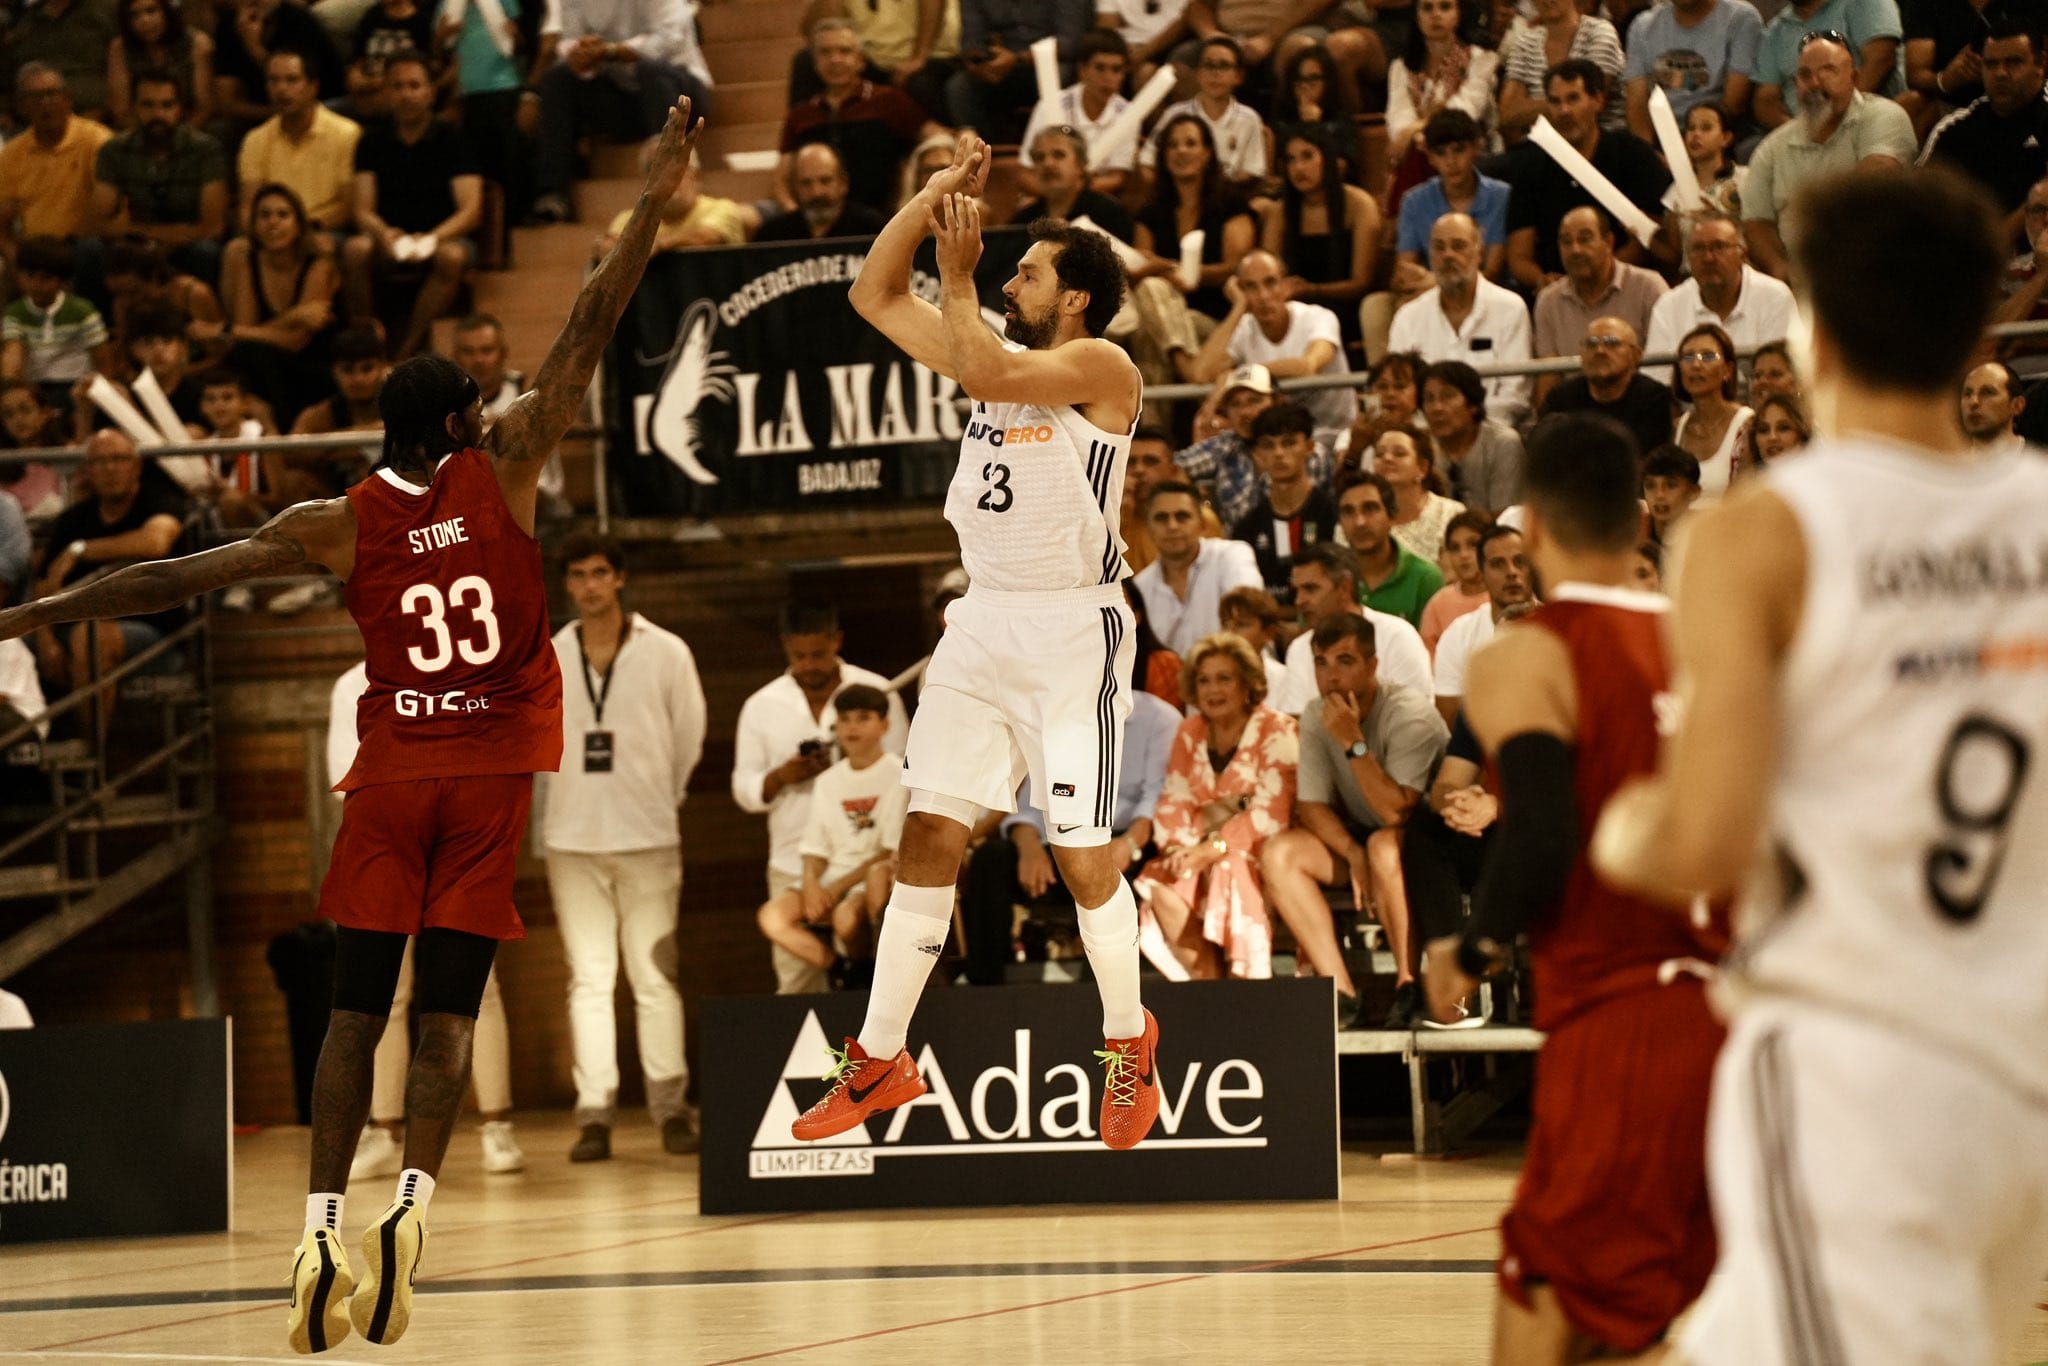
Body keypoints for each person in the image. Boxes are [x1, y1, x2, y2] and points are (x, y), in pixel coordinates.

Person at [0, 97, 704, 1354]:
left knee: (350, 1016)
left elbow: (168, 580)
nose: (490, 414)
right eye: (474, 409)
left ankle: (322, 1216)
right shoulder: (514, 464)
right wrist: (650, 196)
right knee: (447, 1017)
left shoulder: (330, 521)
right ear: (456, 428)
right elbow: (592, 317)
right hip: (490, 783)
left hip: (389, 779)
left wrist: (30, 612)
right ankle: (416, 1202)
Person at [1590, 166, 2048, 1366]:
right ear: (1975, 330)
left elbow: (1702, 842)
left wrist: (1619, 824)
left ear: (1810, 327)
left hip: (1861, 1058)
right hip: (2023, 1076)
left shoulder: (1762, 531)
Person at [801, 133, 1163, 1151]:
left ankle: (1127, 1037)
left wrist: (957, 277)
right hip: (983, 618)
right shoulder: (990, 350)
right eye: (1005, 267)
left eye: (1029, 270)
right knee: (928, 834)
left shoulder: (1098, 365)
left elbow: (988, 364)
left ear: (1076, 296)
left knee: (1083, 854)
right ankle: (878, 1057)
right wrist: (930, 200)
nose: (1009, 276)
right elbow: (872, 296)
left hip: (1070, 630)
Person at [1420, 412, 1724, 1360]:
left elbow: (1542, 830)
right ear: (1641, 523)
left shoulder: (1525, 653)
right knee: (1656, 1310)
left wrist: (1470, 949)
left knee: (1542, 1291)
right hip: (1740, 1011)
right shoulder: (1710, 639)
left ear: (1536, 533)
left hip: (1622, 1011)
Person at [543, 533, 706, 1164]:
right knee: (588, 980)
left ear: (621, 579)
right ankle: (595, 1114)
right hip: (572, 838)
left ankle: (670, 1107)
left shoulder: (666, 652)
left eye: (600, 573)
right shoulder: (549, 654)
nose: (589, 585)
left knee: (656, 977)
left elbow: (689, 735)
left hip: (648, 836)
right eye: (578, 574)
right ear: (567, 585)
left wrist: (661, 798)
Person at [330, 661, 526, 1185]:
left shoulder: (472, 675)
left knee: (476, 990)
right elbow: (341, 777)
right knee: (387, 996)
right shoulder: (352, 684)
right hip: (389, 850)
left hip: (458, 852)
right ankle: (384, 1130)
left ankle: (496, 1125)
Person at [1262, 612, 1450, 1028]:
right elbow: (1311, 806)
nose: (1331, 676)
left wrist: (1353, 742)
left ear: (1372, 666)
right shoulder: (1315, 713)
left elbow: (1396, 811)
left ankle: (1407, 983)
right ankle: (1341, 992)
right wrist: (1351, 852)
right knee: (1280, 853)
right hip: (1362, 839)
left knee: (1384, 844)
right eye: (1321, 663)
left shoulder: (1409, 713)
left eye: (1345, 662)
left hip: (1427, 845)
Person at [732, 599, 909, 994]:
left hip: (870, 861)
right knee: (796, 981)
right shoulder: (761, 706)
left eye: (818, 654)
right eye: (799, 656)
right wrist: (781, 777)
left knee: (866, 942)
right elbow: (743, 788)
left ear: (837, 641)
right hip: (794, 856)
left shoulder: (878, 692)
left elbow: (903, 767)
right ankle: (840, 973)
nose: (809, 664)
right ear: (785, 647)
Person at [960, 687, 1177, 985]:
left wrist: (1128, 844)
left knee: (1123, 872)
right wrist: (1029, 846)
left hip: (1125, 839)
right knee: (991, 859)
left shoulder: (1159, 718)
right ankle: (985, 988)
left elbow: (1157, 797)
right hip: (1060, 838)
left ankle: (1106, 993)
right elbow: (1029, 805)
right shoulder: (1052, 713)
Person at [1136, 632, 1298, 980]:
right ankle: (1208, 984)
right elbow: (1174, 799)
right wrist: (1182, 847)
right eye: (1204, 680)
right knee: (1161, 879)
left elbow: (1272, 810)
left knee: (1230, 867)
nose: (1213, 690)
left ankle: (1247, 981)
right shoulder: (1189, 731)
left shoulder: (1278, 728)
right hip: (1199, 847)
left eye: (1225, 679)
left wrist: (1216, 846)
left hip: (1265, 850)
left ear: (1247, 685)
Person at [754, 683, 908, 991]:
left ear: (885, 725)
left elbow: (888, 852)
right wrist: (812, 886)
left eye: (863, 718)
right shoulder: (827, 781)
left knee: (845, 917)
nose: (852, 727)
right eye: (845, 719)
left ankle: (866, 969)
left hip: (872, 876)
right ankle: (841, 970)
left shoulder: (898, 775)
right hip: (833, 874)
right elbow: (814, 849)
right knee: (772, 917)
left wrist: (836, 889)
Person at [343, 49, 483, 361]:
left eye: (414, 86)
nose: (406, 94)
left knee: (452, 256)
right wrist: (384, 234)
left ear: (431, 93)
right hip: (390, 238)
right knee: (355, 249)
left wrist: (432, 238)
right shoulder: (371, 140)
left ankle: (408, 348)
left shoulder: (453, 138)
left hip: (443, 236)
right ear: (386, 92)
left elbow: (471, 209)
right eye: (397, 86)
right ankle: (366, 342)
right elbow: (362, 208)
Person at [1744, 32, 1918, 279]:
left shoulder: (1883, 116)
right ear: (1795, 86)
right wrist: (1780, 269)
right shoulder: (1772, 147)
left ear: (1853, 77)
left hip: (1875, 269)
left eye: (1828, 71)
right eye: (1805, 75)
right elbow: (1756, 222)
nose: (1815, 83)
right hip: (1798, 280)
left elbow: (1874, 190)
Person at [28, 428, 190, 694]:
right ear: (88, 471)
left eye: (118, 459)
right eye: (100, 462)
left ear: (137, 466)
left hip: (153, 628)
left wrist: (82, 549)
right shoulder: (73, 519)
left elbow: (156, 542)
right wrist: (45, 640)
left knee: (90, 639)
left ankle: (91, 737)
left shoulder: (160, 500)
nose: (110, 469)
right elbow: (46, 584)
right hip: (72, 625)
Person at [528, 0, 712, 224]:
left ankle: (671, 183)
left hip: (680, 91)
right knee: (557, 78)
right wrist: (580, 54)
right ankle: (553, 194)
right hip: (623, 99)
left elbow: (668, 40)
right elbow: (569, 39)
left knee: (651, 70)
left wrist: (610, 51)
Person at [1502, 61, 1670, 292]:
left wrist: (1599, 278)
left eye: (1573, 99)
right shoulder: (1531, 164)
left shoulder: (1632, 154)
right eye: (1555, 101)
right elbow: (1519, 255)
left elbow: (1651, 238)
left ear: (1598, 101)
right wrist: (1544, 281)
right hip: (1556, 293)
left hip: (1626, 286)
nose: (1564, 111)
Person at [1128, 113, 1259, 386]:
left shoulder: (1231, 204)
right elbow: (1142, 267)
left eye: (1190, 143)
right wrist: (1164, 271)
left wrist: (1181, 272)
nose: (1181, 151)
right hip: (1165, 313)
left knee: (1151, 313)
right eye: (1173, 145)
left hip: (1218, 319)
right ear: (1163, 156)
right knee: (1149, 301)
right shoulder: (1150, 213)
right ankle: (1180, 380)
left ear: (1208, 152)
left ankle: (1184, 380)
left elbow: (1236, 268)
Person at [1187, 251, 1356, 447]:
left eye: (1270, 283)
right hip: (1279, 440)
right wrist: (1238, 308)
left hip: (1336, 433)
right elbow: (1201, 373)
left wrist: (1241, 374)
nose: (1263, 296)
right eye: (1251, 287)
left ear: (1286, 286)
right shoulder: (1245, 327)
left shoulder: (1318, 317)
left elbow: (1308, 366)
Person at [778, 19, 940, 215]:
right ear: (814, 62)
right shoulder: (800, 114)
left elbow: (937, 138)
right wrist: (796, 218)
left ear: (861, 60)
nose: (835, 59)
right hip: (818, 217)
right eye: (825, 53)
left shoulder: (888, 100)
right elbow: (781, 182)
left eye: (844, 51)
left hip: (881, 219)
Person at [1388, 212, 1534, 426]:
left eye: (1458, 246)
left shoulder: (1511, 308)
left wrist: (1464, 429)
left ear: (1479, 253)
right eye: (1439, 247)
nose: (1448, 255)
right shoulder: (1407, 317)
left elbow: (1515, 395)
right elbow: (1399, 391)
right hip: (1425, 436)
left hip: (1491, 432)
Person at [214, 182, 339, 429]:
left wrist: (232, 330)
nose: (273, 223)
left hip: (317, 358)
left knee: (263, 357)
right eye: (265, 215)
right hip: (269, 360)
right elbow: (245, 332)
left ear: (298, 223)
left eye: (283, 215)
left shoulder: (318, 264)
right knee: (251, 355)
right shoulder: (249, 260)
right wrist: (294, 316)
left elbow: (297, 341)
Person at [1270, 540, 1436, 713]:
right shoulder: (1298, 650)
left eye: (1310, 589)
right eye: (1297, 591)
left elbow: (1413, 720)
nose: (1299, 601)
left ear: (1344, 587)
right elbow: (1299, 726)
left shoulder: (1397, 637)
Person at [1260, 127, 1381, 350]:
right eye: (1291, 160)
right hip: (1293, 306)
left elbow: (1361, 282)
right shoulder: (1281, 212)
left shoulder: (1359, 205)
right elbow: (1268, 272)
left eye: (1307, 156)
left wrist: (1313, 290)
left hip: (1345, 306)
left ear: (1328, 158)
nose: (1298, 168)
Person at [1642, 211, 1796, 386]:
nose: (1708, 258)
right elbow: (1659, 382)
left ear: (1742, 255)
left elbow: (1780, 375)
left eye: (1718, 247)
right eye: (1698, 249)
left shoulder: (1774, 297)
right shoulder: (1668, 305)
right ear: (1688, 259)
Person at [1919, 25, 2048, 215]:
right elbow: (1919, 199)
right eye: (1991, 64)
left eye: (2014, 62)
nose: (2001, 73)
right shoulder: (1954, 128)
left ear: (2042, 65)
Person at [1530, 207, 1668, 383]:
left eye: (1584, 239)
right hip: (1573, 406)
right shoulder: (1548, 300)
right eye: (1566, 242)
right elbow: (1548, 378)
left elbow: (1665, 371)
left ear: (1609, 242)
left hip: (1638, 402)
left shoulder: (1648, 287)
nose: (1575, 250)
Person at [236, 49, 362, 232]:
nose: (282, 89)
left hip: (322, 229)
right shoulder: (255, 139)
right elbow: (248, 206)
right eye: (274, 81)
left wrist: (301, 231)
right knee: (237, 249)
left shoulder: (347, 134)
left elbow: (347, 206)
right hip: (271, 233)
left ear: (313, 87)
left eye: (292, 80)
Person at [1134, 479, 1265, 653]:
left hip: (1243, 671)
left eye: (1182, 516)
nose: (1172, 526)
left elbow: (1247, 619)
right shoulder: (1140, 587)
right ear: (1149, 527)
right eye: (1161, 518)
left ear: (1202, 524)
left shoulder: (1232, 556)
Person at [1229, 402, 1339, 592]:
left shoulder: (1333, 515)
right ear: (1257, 454)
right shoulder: (1246, 528)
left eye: (1289, 443)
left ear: (1310, 447)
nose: (1279, 453)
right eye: (1268, 445)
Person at [1430, 521, 1533, 724]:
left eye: (1520, 561)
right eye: (1498, 564)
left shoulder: (1561, 626)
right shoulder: (1457, 635)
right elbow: (1449, 720)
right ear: (1482, 574)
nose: (1512, 572)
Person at [0, 65, 114, 248]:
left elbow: (104, 210)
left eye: (52, 94)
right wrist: (17, 261)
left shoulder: (97, 140)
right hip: (36, 254)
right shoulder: (12, 153)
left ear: (68, 99)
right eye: (35, 97)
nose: (45, 103)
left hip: (87, 248)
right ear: (21, 106)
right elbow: (3, 225)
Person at [945, 0, 1092, 141]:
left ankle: (1058, 149)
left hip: (1047, 63)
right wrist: (978, 61)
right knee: (960, 87)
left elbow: (1071, 42)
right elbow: (972, 39)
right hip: (999, 64)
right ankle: (983, 155)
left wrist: (1018, 58)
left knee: (1058, 77)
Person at [1750, 0, 1905, 128]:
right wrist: (1800, 132)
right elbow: (1765, 99)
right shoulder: (1775, 31)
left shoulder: (1864, 3)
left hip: (1867, 120)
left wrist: (1837, 119)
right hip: (1802, 133)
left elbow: (1881, 59)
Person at [1385, 0, 1500, 169]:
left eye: (1445, 7)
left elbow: (1466, 112)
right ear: (1417, 17)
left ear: (1458, 15)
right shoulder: (1400, 68)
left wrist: (1416, 128)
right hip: (1419, 152)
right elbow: (1398, 120)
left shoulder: (1481, 59)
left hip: (1474, 155)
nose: (1435, 15)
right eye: (1427, 8)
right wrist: (1416, 136)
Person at [1019, 29, 1136, 195]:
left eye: (1116, 70)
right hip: (1047, 197)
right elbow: (1025, 173)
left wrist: (1071, 191)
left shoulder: (1129, 113)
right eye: (1100, 68)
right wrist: (1056, 193)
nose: (1108, 77)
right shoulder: (1051, 104)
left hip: (1094, 199)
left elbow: (1117, 177)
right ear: (1083, 70)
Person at [1622, 0, 1763, 138]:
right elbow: (1636, 106)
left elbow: (1734, 103)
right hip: (1660, 138)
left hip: (1718, 135)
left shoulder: (1741, 18)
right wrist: (1651, 154)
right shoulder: (1642, 26)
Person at [1540, 316, 1675, 458]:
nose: (1600, 351)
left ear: (1636, 356)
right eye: (1591, 344)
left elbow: (1647, 459)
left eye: (1612, 343)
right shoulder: (1561, 397)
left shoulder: (1653, 397)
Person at [1143, 34, 1267, 180]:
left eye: (1224, 66)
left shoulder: (1249, 118)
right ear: (1198, 73)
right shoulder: (1174, 114)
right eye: (1209, 65)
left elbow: (1253, 170)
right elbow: (1147, 161)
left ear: (1238, 76)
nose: (1215, 73)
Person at [0, 237, 117, 391]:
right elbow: (13, 351)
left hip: (78, 386)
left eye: (46, 278)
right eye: (30, 275)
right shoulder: (15, 312)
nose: (36, 284)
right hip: (35, 390)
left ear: (62, 281)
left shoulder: (83, 310)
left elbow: (103, 362)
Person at [210, 0, 344, 132]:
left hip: (319, 106)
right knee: (221, 129)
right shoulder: (228, 26)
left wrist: (254, 48)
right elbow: (228, 102)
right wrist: (272, 114)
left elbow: (302, 89)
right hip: (263, 113)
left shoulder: (299, 22)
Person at [1498, 0, 1626, 138]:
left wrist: (1528, 108)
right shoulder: (1524, 43)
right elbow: (1507, 114)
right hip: (1543, 146)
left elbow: (1593, 101)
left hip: (1604, 142)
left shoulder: (1600, 32)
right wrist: (1572, 101)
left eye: (1571, 98)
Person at [1337, 468, 1445, 626]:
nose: (1360, 522)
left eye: (1370, 509)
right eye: (1348, 512)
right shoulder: (1329, 577)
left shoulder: (1425, 578)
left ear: (1392, 517)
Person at [1420, 359, 1525, 516]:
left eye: (1448, 396)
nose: (1437, 408)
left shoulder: (1503, 443)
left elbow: (1505, 517)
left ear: (1473, 405)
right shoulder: (1420, 446)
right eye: (1429, 399)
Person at [1013, 124, 1135, 241]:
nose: (1048, 164)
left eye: (1058, 155)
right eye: (1040, 157)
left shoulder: (1109, 214)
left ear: (1080, 165)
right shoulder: (1023, 221)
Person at [1672, 321, 1753, 494]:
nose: (1696, 365)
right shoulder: (1677, 428)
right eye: (1687, 357)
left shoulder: (1747, 424)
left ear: (1728, 370)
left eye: (1708, 356)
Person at [755, 143, 890, 242]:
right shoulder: (772, 237)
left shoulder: (873, 229)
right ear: (794, 187)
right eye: (806, 183)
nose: (817, 192)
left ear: (843, 183)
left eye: (825, 181)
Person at [1375, 427, 1465, 564]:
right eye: (1379, 454)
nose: (1387, 458)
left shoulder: (1451, 514)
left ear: (1422, 468)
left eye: (1399, 453)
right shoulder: (1360, 518)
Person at [1419, 508, 1492, 653]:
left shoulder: (1506, 594)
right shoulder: (1438, 603)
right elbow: (1429, 656)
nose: (1463, 555)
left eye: (1473, 544)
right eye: (1455, 548)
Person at [1959, 358, 2025, 455]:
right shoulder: (1945, 466)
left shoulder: (2041, 464)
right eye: (1967, 394)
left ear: (2017, 405)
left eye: (1987, 393)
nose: (1973, 402)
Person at [1642, 443, 1703, 546]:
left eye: (1671, 485)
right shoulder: (1633, 534)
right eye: (1650, 486)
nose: (1659, 495)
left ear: (1694, 492)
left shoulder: (1708, 535)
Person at [1743, 388, 1810, 469]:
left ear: (1803, 435)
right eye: (1763, 430)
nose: (1772, 437)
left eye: (1783, 428)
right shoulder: (1747, 480)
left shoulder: (1822, 479)